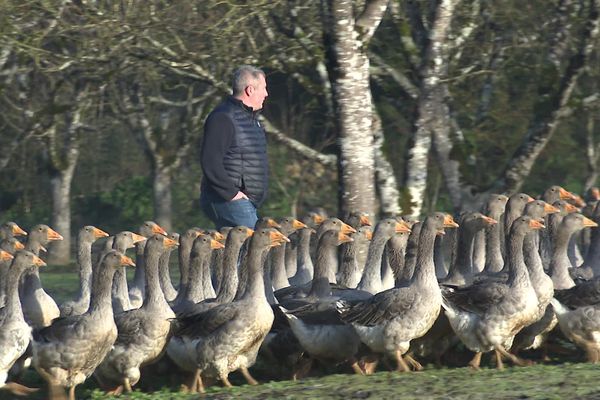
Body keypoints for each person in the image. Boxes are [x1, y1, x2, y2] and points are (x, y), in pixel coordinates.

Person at [199, 65, 269, 229]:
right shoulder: (223, 118)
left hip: (243, 201)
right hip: (228, 199)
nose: (266, 94)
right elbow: (210, 161)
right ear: (250, 90)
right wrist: (232, 194)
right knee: (255, 250)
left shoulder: (251, 120)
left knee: (244, 252)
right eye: (264, 88)